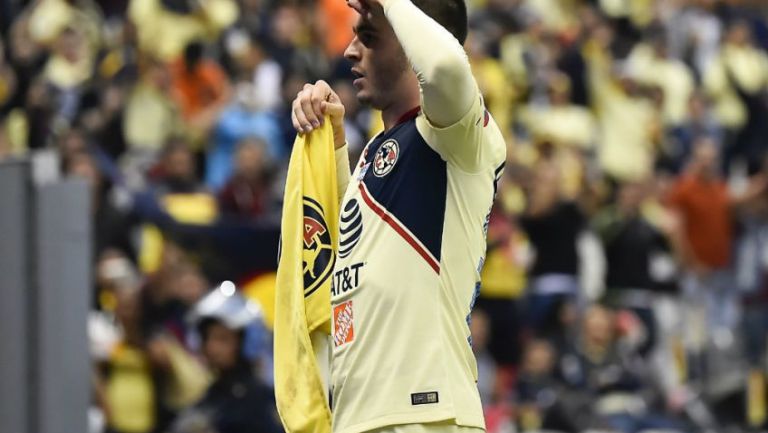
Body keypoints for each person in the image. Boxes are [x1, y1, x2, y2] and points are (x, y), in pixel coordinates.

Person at [290, 1, 506, 433]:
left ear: (414, 40)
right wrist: (330, 142)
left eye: (368, 38)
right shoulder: (375, 150)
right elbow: (343, 258)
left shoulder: (457, 137)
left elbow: (445, 65)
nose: (350, 51)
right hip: (361, 417)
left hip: (427, 416)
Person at [173, 281, 283, 433]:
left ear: (246, 342)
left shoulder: (263, 400)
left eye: (222, 339)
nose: (212, 348)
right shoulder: (211, 397)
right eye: (207, 338)